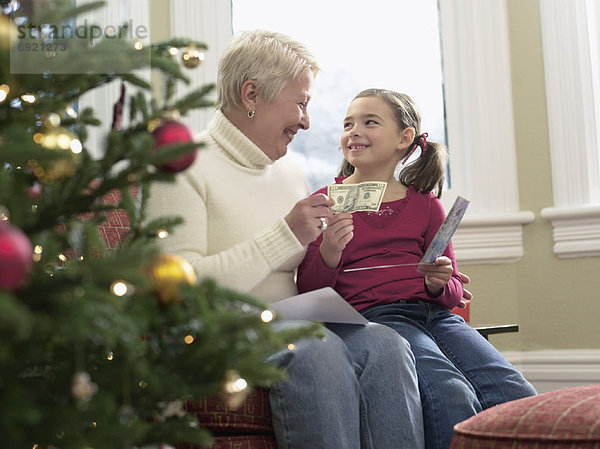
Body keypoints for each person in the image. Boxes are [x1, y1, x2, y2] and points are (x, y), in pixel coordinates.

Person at [146, 31, 425, 448]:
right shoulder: (183, 166)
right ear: (252, 94)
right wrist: (283, 235)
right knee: (317, 350)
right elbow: (178, 290)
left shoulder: (289, 170)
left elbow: (307, 270)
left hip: (293, 319)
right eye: (301, 103)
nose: (307, 121)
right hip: (218, 326)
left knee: (386, 344)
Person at [297, 88, 537, 449]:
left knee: (513, 389)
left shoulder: (426, 205)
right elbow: (310, 291)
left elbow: (454, 290)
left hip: (437, 318)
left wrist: (440, 284)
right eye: (348, 124)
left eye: (369, 122)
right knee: (450, 393)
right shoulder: (325, 202)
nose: (354, 131)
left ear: (404, 138)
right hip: (379, 320)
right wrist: (330, 249)